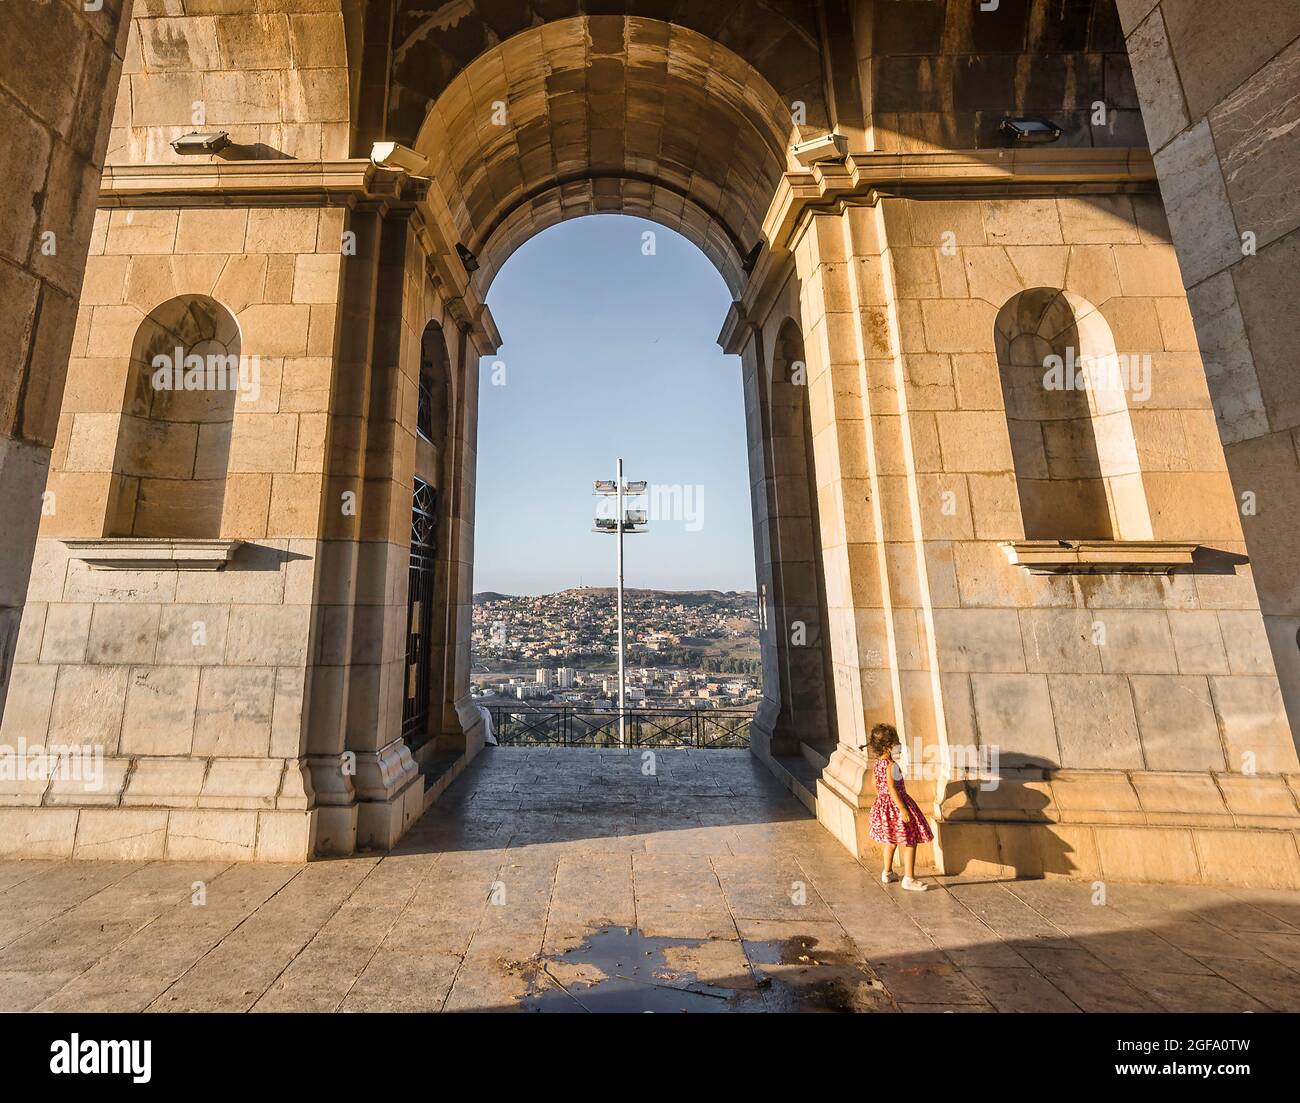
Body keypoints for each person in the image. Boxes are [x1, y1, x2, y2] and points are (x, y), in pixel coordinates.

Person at [867, 722, 932, 891]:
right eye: (897, 742)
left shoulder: (877, 765)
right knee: (910, 841)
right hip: (897, 805)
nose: (900, 746)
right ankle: (909, 878)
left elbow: (874, 783)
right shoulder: (892, 766)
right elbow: (892, 788)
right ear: (888, 747)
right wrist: (902, 808)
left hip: (884, 806)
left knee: (891, 841)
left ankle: (887, 872)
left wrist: (881, 799)